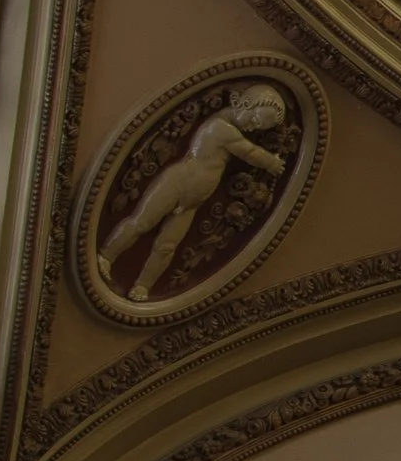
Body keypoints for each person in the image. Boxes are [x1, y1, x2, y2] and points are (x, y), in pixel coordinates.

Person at [97, 82, 290, 304]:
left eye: (260, 128)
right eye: (255, 120)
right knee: (140, 223)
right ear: (244, 104)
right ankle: (106, 256)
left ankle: (143, 285)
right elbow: (249, 151)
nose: (254, 129)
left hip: (192, 202)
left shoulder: (233, 129)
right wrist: (270, 163)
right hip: (176, 183)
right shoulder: (220, 127)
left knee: (168, 246)